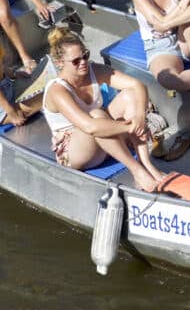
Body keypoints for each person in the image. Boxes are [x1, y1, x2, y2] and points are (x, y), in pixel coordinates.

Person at [42, 27, 166, 192]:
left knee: (129, 95)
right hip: (76, 152)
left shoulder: (94, 70)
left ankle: (147, 164)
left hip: (104, 138)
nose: (83, 62)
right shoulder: (57, 91)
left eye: (85, 55)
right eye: (76, 61)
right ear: (59, 63)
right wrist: (130, 127)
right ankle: (137, 171)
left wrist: (140, 117)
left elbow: (138, 86)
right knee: (97, 115)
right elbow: (89, 127)